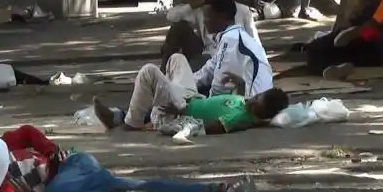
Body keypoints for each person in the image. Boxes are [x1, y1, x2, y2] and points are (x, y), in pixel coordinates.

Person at [0, 123, 259, 192]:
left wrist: (49, 150)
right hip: (76, 183)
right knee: (142, 186)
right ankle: (225, 189)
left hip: (72, 166)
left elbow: (28, 131)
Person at [94, 53, 288, 135]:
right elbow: (238, 100)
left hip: (180, 108)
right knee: (177, 59)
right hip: (191, 96)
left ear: (260, 115)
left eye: (256, 104)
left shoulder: (240, 118)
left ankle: (129, 122)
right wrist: (241, 83)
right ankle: (155, 95)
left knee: (148, 71)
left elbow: (204, 128)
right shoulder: (246, 104)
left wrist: (179, 116)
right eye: (256, 97)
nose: (251, 100)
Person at [162, 0, 261, 72]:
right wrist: (191, 6)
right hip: (205, 55)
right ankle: (163, 72)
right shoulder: (202, 9)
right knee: (179, 28)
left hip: (229, 59)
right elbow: (171, 16)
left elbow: (255, 43)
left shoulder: (243, 11)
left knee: (186, 73)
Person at [195, 0, 274, 98]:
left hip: (253, 104)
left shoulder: (231, 39)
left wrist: (206, 106)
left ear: (221, 16)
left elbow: (220, 86)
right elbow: (208, 70)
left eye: (208, 17)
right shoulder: (233, 36)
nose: (204, 21)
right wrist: (184, 85)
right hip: (252, 98)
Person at [305, 1, 383, 80]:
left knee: (316, 56)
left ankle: (340, 66)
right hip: (369, 50)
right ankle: (342, 67)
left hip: (365, 41)